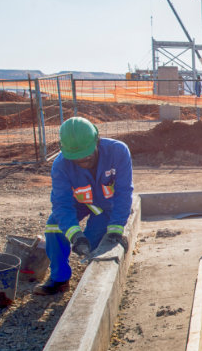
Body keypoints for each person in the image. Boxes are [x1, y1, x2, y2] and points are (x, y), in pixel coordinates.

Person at [35, 117, 134, 295]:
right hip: (80, 201)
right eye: (77, 158)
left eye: (87, 155)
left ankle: (93, 284)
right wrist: (75, 235)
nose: (82, 160)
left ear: (97, 140)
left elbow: (124, 192)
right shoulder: (60, 166)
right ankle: (59, 280)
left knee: (95, 243)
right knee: (53, 227)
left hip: (107, 206)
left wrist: (116, 229)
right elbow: (61, 204)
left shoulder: (118, 152)